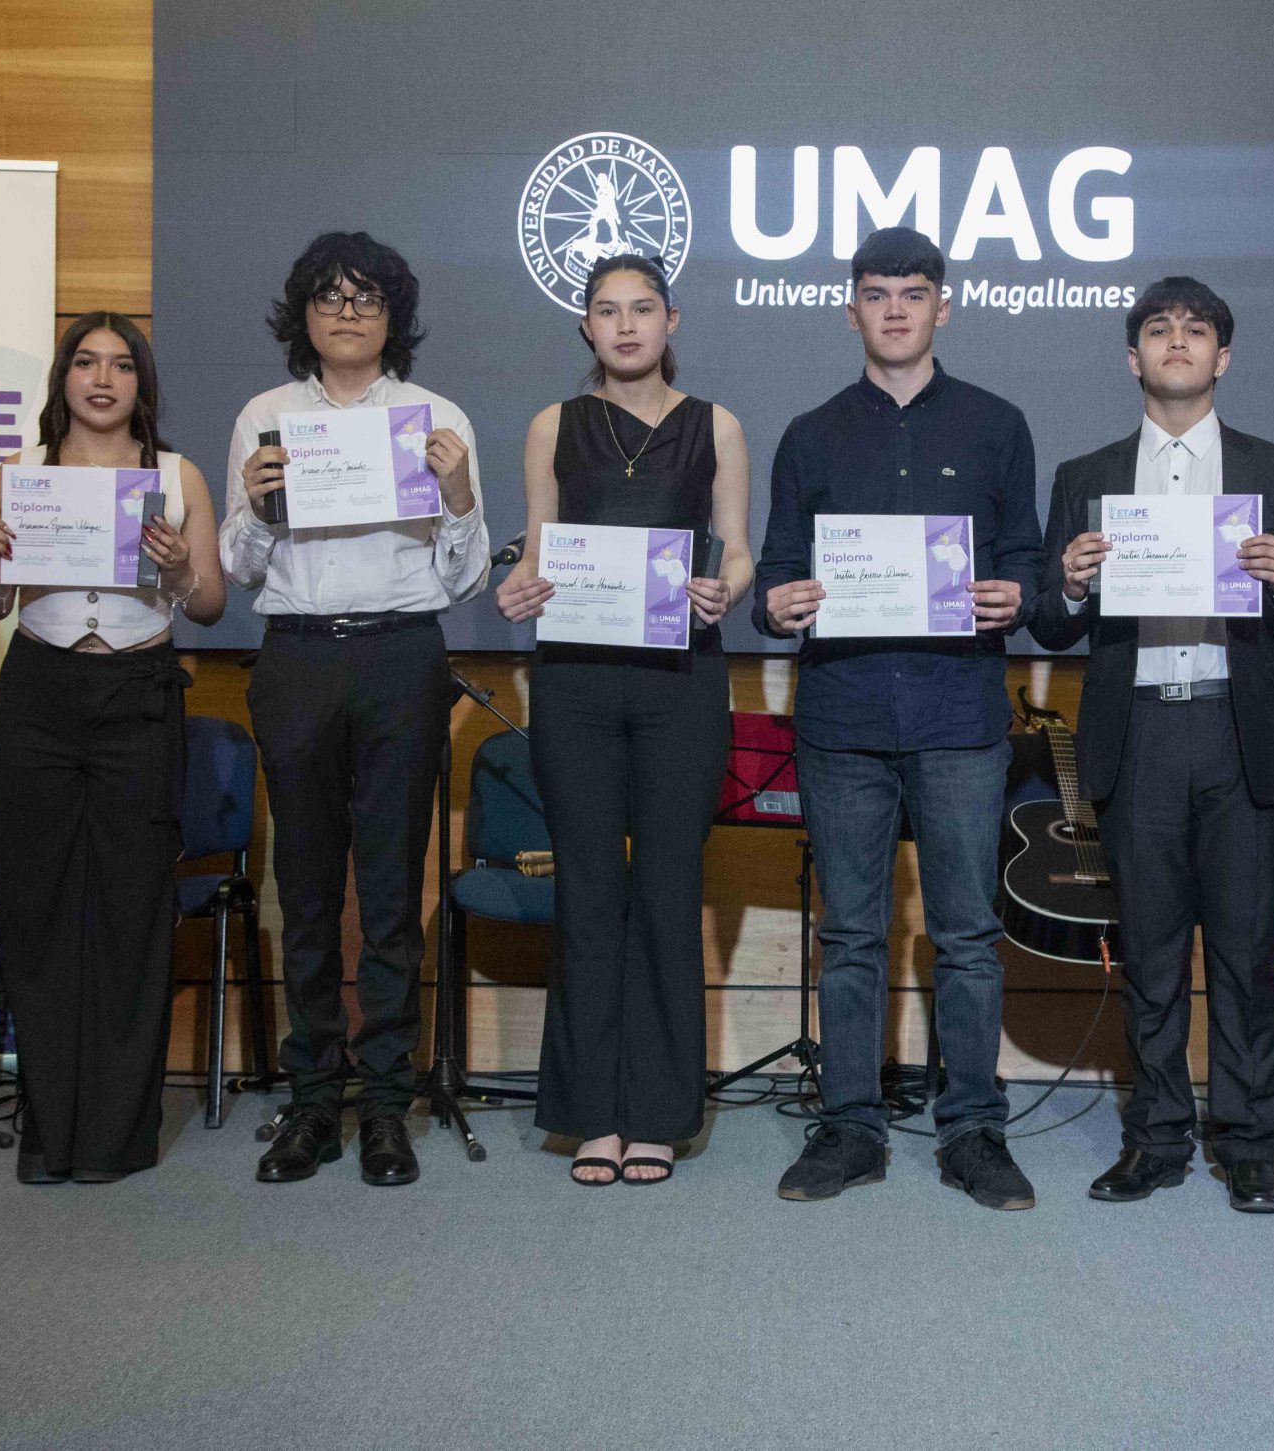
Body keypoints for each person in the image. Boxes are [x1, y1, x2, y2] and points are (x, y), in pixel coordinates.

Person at [1029, 277, 1274, 1210]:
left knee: (1245, 953)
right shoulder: (1086, 478)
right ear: (1133, 358)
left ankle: (1251, 1143)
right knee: (1152, 953)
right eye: (1157, 331)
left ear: (1223, 356)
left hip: (1239, 730)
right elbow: (1047, 622)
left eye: (1195, 330)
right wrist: (1074, 583)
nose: (1176, 342)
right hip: (1141, 734)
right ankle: (1157, 1137)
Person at [754, 225, 1045, 1211]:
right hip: (841, 719)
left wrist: (1018, 593)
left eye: (912, 292)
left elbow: (1031, 562)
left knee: (966, 933)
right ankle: (849, 1129)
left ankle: (972, 1130)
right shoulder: (810, 432)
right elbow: (775, 571)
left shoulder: (998, 425)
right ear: (850, 309)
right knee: (850, 936)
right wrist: (776, 604)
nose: (893, 308)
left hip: (961, 715)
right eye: (875, 292)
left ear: (942, 305)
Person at [223, 231, 488, 1188]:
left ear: (392, 318)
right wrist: (252, 509)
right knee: (303, 888)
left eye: (367, 298)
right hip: (295, 655)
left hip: (401, 653)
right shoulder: (266, 414)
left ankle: (384, 1104)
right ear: (304, 314)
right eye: (330, 297)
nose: (348, 311)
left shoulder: (434, 416)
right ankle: (311, 1103)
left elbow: (462, 580)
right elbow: (240, 568)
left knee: (388, 895)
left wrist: (457, 494)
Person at [493, 254, 754, 1186]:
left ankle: (660, 1114)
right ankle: (590, 1113)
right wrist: (517, 585)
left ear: (672, 320)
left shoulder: (714, 423)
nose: (628, 325)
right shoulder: (552, 426)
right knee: (591, 892)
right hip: (575, 686)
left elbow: (743, 548)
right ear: (586, 329)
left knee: (668, 893)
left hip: (683, 682)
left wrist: (727, 587)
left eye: (644, 308)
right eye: (608, 311)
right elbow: (534, 543)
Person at [0, 312, 225, 1184]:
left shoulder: (177, 474)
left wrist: (181, 569)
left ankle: (115, 1133)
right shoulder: (20, 472)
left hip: (138, 697)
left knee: (130, 911)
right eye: (86, 362)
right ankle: (49, 1130)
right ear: (63, 378)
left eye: (121, 365)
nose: (103, 379)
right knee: (36, 908)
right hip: (39, 694)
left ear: (141, 385)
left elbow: (212, 606)